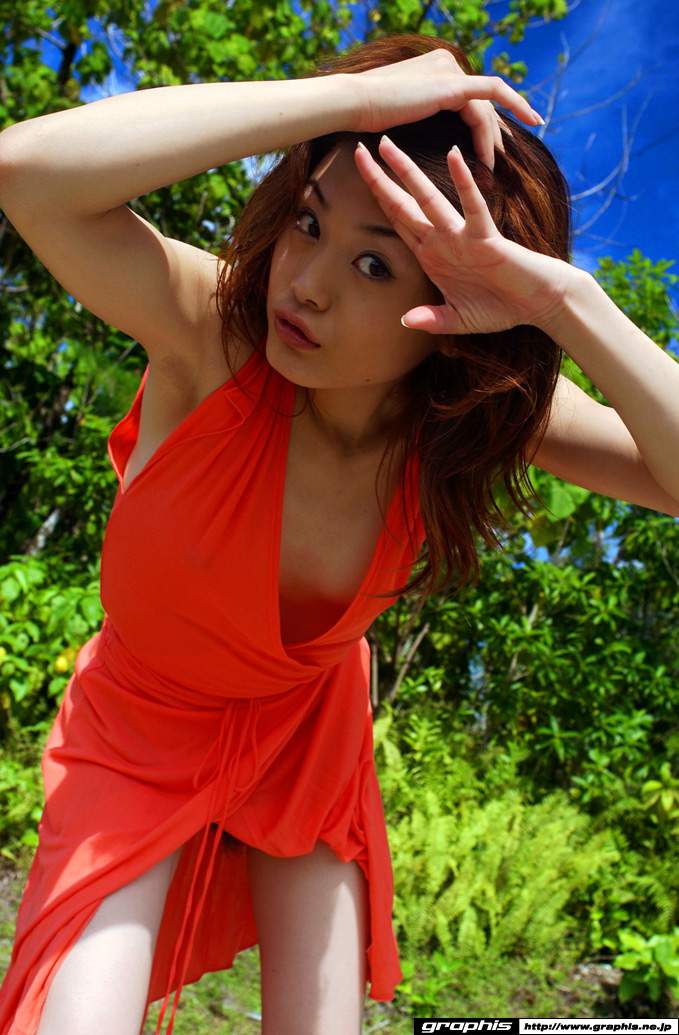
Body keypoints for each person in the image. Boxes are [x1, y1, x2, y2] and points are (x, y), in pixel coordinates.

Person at [1, 29, 678, 1035]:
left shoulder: (453, 419)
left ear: (449, 300)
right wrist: (346, 104)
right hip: (137, 724)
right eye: (309, 222)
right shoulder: (212, 333)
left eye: (373, 263)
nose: (307, 283)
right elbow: (26, 173)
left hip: (304, 730)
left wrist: (561, 300)